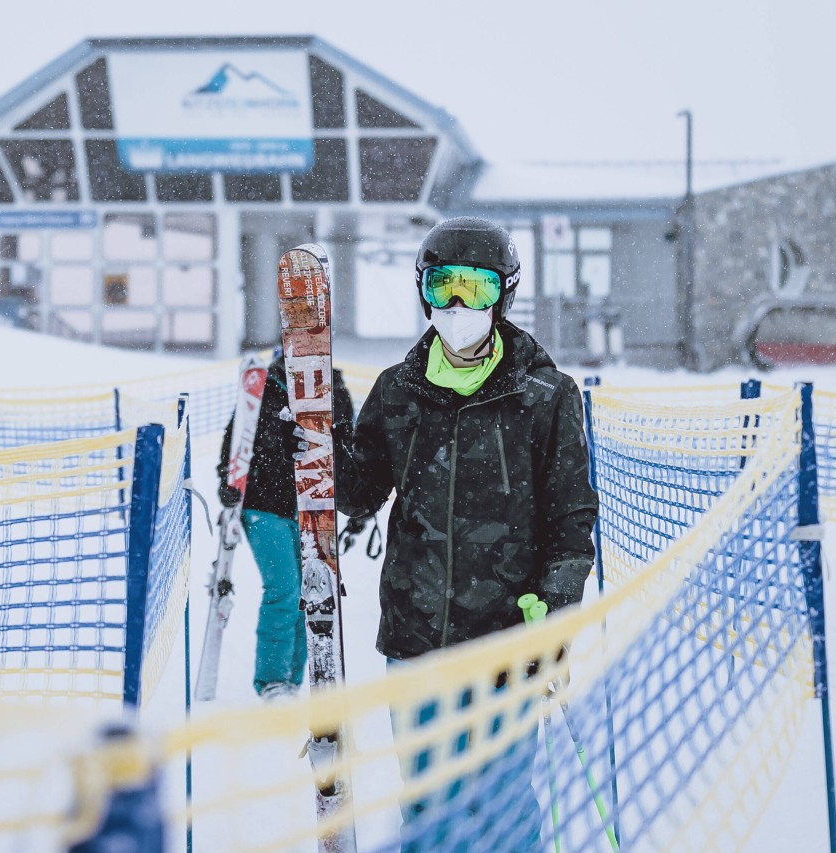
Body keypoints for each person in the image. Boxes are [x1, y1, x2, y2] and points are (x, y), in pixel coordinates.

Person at [330, 217, 599, 850]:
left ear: (503, 294)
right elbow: (359, 491)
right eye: (442, 287)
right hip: (417, 635)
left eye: (473, 291)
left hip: (508, 638)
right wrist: (320, 429)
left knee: (502, 812)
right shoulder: (400, 391)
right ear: (423, 292)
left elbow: (571, 517)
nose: (456, 307)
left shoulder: (546, 395)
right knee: (427, 810)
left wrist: (556, 606)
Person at [217, 352, 361, 701]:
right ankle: (272, 680)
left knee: (310, 596)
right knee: (284, 588)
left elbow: (350, 450)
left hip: (312, 507)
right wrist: (228, 482)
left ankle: (293, 680)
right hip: (262, 505)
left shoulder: (334, 390)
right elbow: (235, 444)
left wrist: (357, 508)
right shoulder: (264, 388)